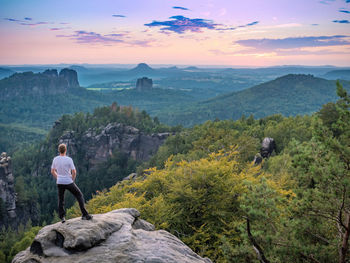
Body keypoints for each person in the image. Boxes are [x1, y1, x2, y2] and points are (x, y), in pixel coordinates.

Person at [51, 143, 92, 223]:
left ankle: (62, 217)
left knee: (61, 199)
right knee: (79, 195)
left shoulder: (55, 159)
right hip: (68, 181)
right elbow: (74, 171)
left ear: (59, 150)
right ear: (65, 150)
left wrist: (58, 177)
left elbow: (52, 171)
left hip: (59, 182)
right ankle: (85, 214)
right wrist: (72, 180)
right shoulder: (69, 159)